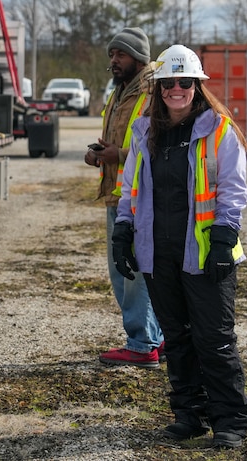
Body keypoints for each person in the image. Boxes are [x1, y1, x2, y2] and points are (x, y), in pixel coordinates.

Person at [113, 44, 247, 449]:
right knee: (176, 338)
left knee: (215, 339)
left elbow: (233, 191)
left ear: (196, 85)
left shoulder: (219, 129)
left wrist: (225, 239)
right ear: (157, 88)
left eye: (185, 82)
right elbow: (130, 189)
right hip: (159, 255)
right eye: (169, 83)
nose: (177, 89)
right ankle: (188, 415)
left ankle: (231, 420)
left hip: (207, 254)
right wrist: (123, 232)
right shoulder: (143, 132)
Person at [84, 27, 164, 368]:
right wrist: (100, 154)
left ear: (139, 57)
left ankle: (142, 343)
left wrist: (118, 155)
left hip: (138, 197)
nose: (114, 60)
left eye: (121, 54)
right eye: (112, 55)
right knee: (130, 269)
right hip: (119, 193)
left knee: (130, 271)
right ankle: (154, 339)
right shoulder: (122, 90)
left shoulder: (151, 91)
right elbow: (119, 137)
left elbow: (160, 145)